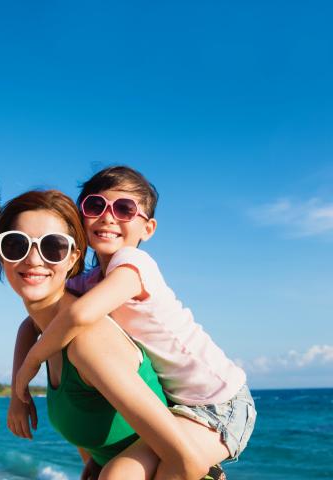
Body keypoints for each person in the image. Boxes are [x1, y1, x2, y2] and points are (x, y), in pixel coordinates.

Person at [13, 167, 256, 478]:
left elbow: (78, 316)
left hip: (221, 403)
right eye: (95, 206)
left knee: (130, 473)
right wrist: (16, 396)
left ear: (148, 229)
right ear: (81, 217)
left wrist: (31, 363)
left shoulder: (134, 265)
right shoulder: (89, 282)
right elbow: (32, 323)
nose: (108, 217)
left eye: (125, 209)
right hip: (177, 406)